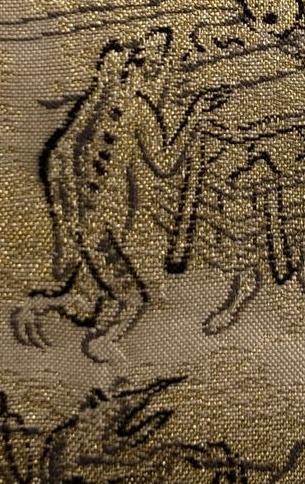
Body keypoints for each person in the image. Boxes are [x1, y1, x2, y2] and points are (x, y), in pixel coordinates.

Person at [12, 29, 225, 362]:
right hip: (100, 232)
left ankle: (36, 308)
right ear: (142, 68)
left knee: (85, 301)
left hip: (82, 224)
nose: (161, 71)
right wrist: (195, 117)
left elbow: (58, 159)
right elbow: (165, 163)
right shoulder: (136, 108)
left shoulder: (97, 106)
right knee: (133, 299)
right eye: (157, 65)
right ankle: (103, 345)